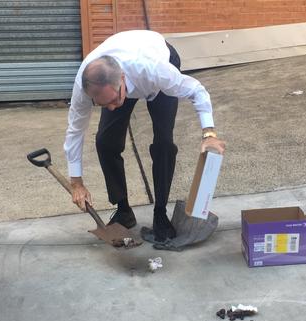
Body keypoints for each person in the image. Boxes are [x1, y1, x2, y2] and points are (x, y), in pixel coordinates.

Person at [64, 30, 226, 242]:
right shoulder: (85, 84)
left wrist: (209, 133)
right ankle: (123, 211)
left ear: (122, 79)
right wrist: (76, 182)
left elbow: (197, 91)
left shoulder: (156, 70)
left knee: (164, 143)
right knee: (105, 141)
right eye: (103, 104)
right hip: (120, 74)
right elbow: (75, 130)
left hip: (156, 62)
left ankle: (160, 213)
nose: (111, 108)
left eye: (114, 100)